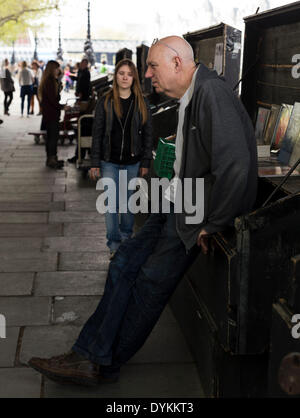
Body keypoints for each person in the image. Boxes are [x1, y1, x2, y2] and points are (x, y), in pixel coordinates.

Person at [28, 36, 258, 386]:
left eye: (153, 66)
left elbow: (237, 166)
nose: (147, 73)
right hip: (178, 201)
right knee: (123, 262)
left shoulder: (211, 93)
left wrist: (214, 224)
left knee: (149, 284)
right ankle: (89, 352)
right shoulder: (192, 95)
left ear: (177, 63)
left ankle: (102, 363)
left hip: (194, 213)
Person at [90, 58, 152, 258]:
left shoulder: (141, 102)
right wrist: (94, 163)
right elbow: (97, 133)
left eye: (129, 74)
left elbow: (148, 133)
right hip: (109, 161)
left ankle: (126, 239)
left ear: (134, 77)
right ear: (115, 76)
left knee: (126, 206)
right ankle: (114, 245)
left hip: (132, 162)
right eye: (121, 73)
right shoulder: (105, 101)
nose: (125, 77)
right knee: (110, 205)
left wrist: (145, 162)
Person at [38, 60, 65, 169]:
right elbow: (53, 100)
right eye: (57, 68)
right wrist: (62, 107)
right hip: (51, 114)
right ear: (52, 69)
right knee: (53, 138)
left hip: (50, 114)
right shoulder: (49, 82)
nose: (59, 70)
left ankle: (52, 158)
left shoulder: (51, 81)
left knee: (51, 137)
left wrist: (59, 86)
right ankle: (51, 159)